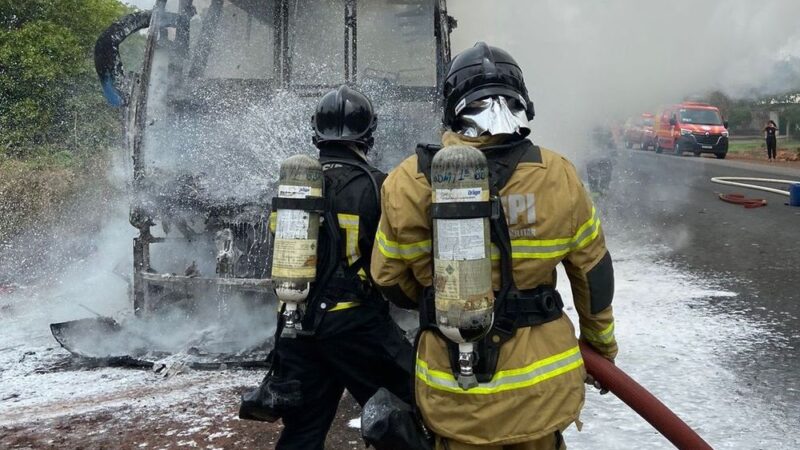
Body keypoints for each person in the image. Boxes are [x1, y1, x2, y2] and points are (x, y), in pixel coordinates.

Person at [371, 42, 618, 450]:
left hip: (455, 391)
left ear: (451, 105)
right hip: (542, 390)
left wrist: (441, 301)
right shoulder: (558, 174)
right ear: (523, 101)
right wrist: (602, 346)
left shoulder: (408, 182)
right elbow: (594, 274)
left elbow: (387, 277)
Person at [263, 85, 413, 450]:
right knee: (409, 411)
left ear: (316, 132)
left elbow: (276, 241)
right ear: (369, 133)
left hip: (297, 328)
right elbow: (392, 259)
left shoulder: (295, 187)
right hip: (359, 327)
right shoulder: (380, 186)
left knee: (302, 432)